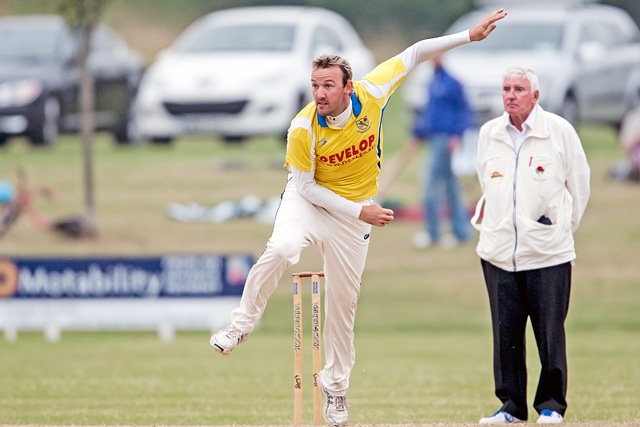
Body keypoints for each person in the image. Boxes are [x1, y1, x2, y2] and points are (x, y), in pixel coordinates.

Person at [210, 9, 507, 426]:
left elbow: (416, 51)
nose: (320, 94)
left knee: (343, 307)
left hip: (352, 214)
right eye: (315, 86)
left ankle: (335, 391)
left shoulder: (371, 92)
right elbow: (307, 187)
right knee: (283, 246)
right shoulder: (302, 128)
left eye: (328, 86)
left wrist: (467, 36)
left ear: (347, 86)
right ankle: (242, 324)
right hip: (311, 201)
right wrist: (361, 211)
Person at [471, 66, 590, 424]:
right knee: (505, 335)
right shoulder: (489, 133)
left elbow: (579, 185)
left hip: (548, 253)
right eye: (506, 88)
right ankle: (511, 407)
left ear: (535, 96)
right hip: (498, 252)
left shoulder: (558, 132)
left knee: (550, 333)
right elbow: (485, 182)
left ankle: (552, 405)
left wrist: (559, 229)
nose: (510, 95)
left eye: (519, 89)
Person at [408, 53, 474, 249]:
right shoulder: (432, 82)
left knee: (430, 184)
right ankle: (460, 232)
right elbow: (430, 113)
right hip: (433, 138)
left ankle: (434, 232)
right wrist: (418, 133)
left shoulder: (453, 83)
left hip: (446, 140)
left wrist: (457, 135)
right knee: (450, 185)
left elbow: (464, 111)